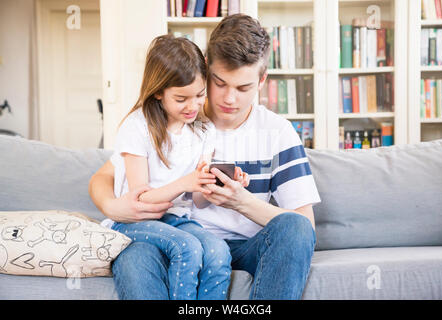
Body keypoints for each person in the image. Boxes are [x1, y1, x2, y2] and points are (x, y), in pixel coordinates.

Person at [89, 14, 321, 300]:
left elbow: (304, 227)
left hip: (245, 246)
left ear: (262, 81)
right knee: (134, 257)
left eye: (243, 88)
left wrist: (242, 202)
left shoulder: (278, 133)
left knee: (294, 229)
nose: (229, 99)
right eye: (219, 83)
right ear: (206, 69)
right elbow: (104, 175)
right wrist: (112, 208)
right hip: (176, 238)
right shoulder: (177, 118)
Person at [103, 34, 248, 300]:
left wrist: (219, 183)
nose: (193, 106)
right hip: (131, 221)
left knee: (218, 252)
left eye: (199, 95)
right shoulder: (136, 127)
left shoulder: (204, 130)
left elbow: (199, 202)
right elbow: (140, 200)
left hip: (178, 220)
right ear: (158, 91)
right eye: (181, 99)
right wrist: (185, 182)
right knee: (188, 247)